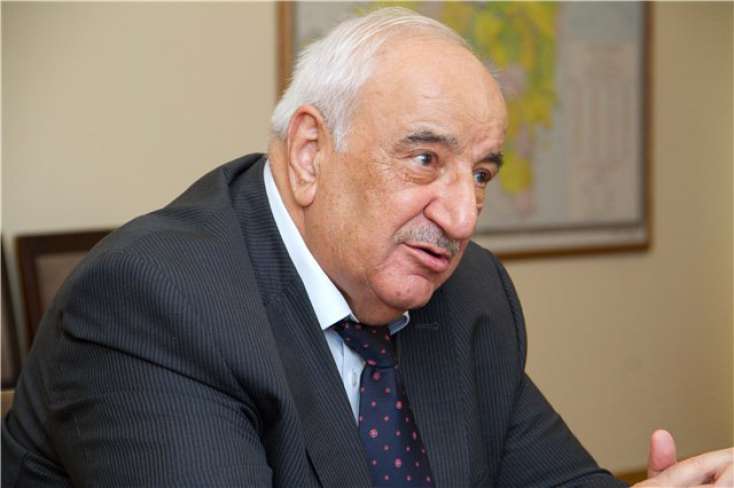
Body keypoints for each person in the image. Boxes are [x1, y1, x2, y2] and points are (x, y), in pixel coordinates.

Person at [2, 8, 731, 488]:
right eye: (424, 160)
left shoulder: (468, 291)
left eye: (481, 174)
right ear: (310, 153)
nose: (462, 217)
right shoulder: (157, 301)